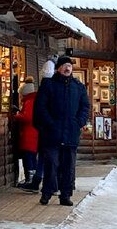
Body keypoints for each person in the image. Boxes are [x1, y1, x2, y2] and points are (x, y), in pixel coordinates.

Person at [32, 55, 90, 206]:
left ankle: (65, 195)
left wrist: (79, 122)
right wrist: (50, 123)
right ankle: (47, 193)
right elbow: (40, 108)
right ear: (58, 68)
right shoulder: (49, 85)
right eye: (64, 65)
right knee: (51, 164)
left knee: (68, 167)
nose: (67, 68)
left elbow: (85, 107)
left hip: (71, 133)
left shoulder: (78, 87)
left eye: (69, 66)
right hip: (52, 134)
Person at [12, 78, 42, 191]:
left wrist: (16, 115)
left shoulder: (29, 102)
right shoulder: (34, 100)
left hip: (29, 134)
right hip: (34, 134)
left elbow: (28, 117)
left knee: (28, 157)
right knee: (32, 157)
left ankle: (30, 181)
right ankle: (32, 180)